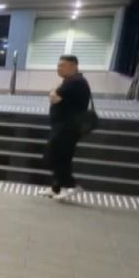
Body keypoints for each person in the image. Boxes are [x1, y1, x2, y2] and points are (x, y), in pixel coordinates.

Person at [43, 54, 93, 201]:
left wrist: (53, 92)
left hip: (68, 128)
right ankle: (56, 187)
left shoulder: (76, 82)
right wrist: (54, 93)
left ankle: (71, 185)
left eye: (62, 65)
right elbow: (55, 96)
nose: (58, 68)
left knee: (58, 156)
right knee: (57, 156)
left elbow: (54, 96)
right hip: (63, 127)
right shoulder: (70, 81)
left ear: (73, 66)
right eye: (58, 65)